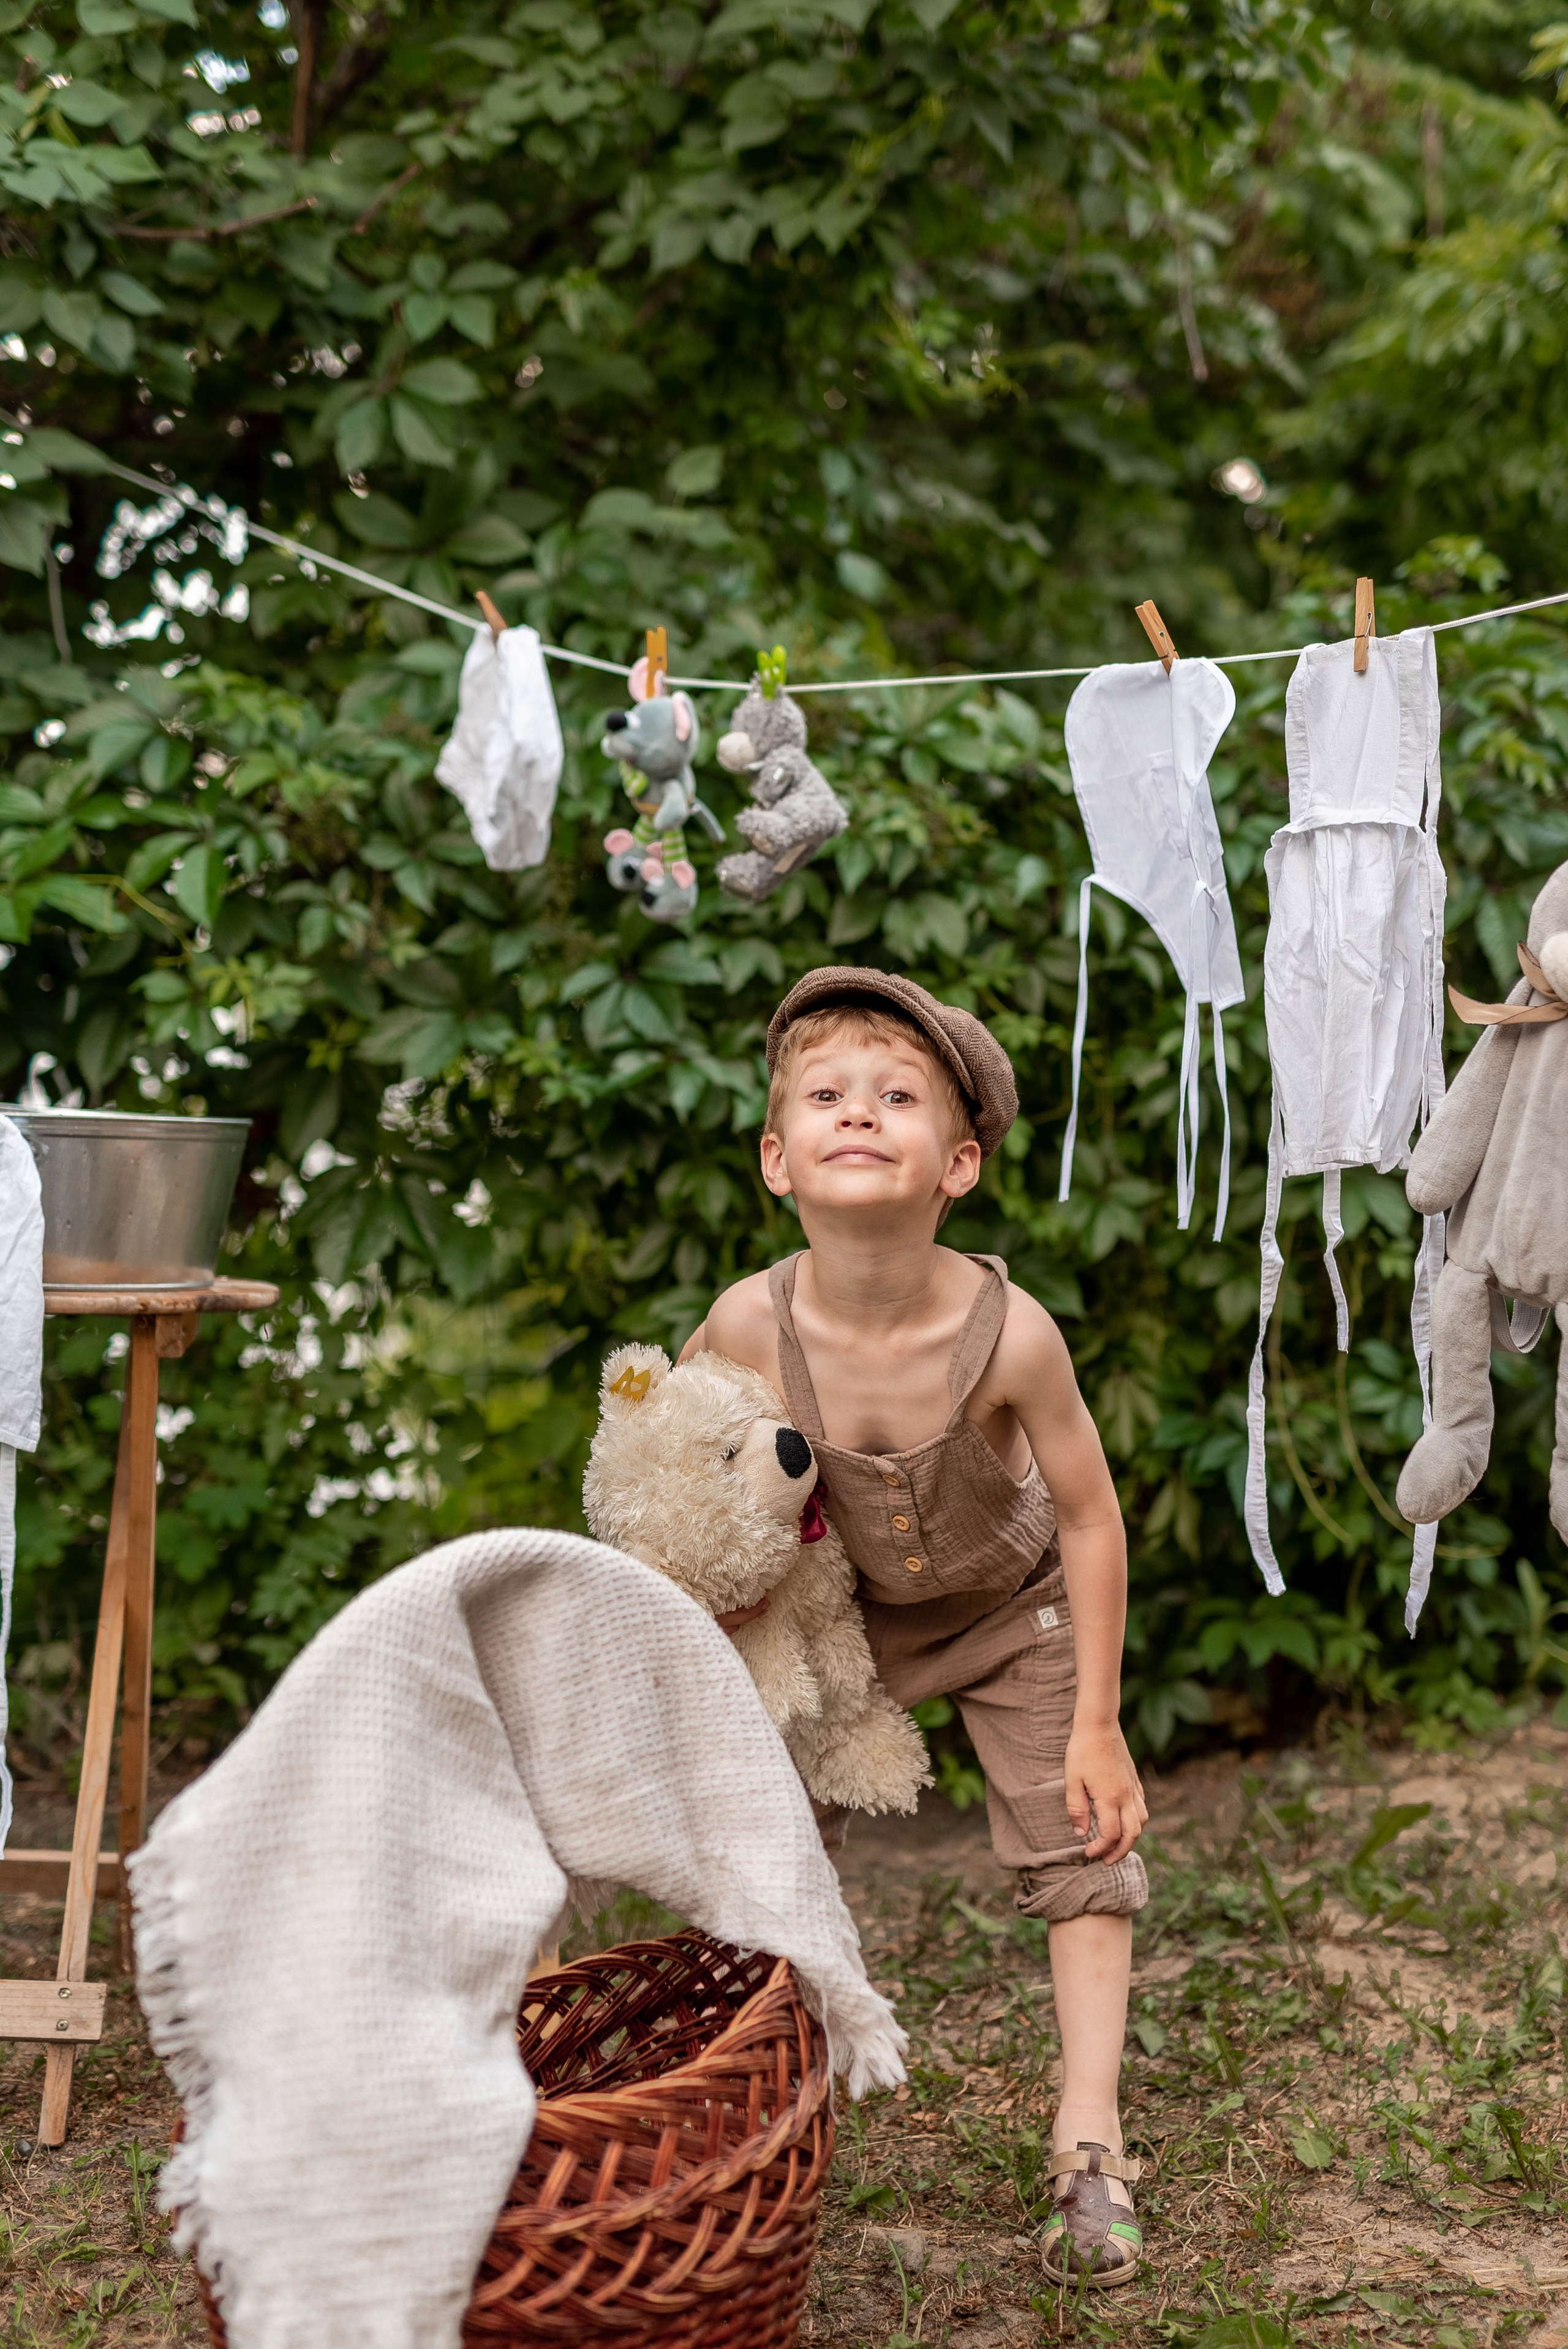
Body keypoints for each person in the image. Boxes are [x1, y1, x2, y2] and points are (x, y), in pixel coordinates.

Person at [679, 967, 1150, 2288]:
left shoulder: (1010, 1337)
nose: (858, 1113)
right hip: (843, 1625)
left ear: (958, 1164)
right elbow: (691, 1486)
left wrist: (1099, 1723)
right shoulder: (748, 1323)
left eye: (896, 1098)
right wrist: (726, 1624)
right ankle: (761, 2108)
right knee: (762, 1840)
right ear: (777, 1158)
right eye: (826, 1095)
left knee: (1081, 1842)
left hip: (1014, 1614)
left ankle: (1090, 2139)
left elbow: (1091, 1517)